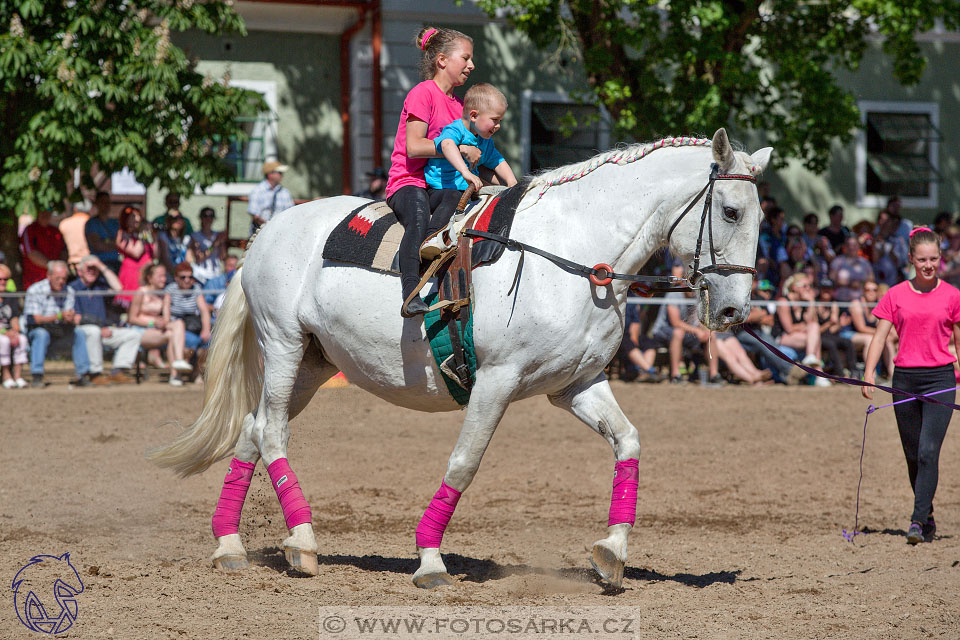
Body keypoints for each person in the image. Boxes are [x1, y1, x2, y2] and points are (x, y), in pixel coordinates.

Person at [862, 227, 960, 544]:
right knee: (913, 455)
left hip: (941, 379)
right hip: (904, 380)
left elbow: (959, 340)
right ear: (911, 259)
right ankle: (927, 513)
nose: (928, 265)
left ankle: (916, 522)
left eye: (933, 259)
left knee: (929, 452)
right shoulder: (895, 295)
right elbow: (879, 337)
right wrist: (868, 373)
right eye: (922, 260)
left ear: (940, 259)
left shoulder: (952, 296)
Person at [385, 26, 479, 317]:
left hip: (437, 183)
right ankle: (410, 291)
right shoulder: (422, 93)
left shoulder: (459, 106)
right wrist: (458, 150)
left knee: (461, 208)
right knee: (417, 216)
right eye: (465, 58)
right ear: (441, 60)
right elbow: (414, 147)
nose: (471, 65)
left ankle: (433, 267)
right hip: (409, 180)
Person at [419, 83, 518, 259]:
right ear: (474, 115)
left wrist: (513, 184)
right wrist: (466, 172)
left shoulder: (485, 141)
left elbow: (497, 161)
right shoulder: (455, 129)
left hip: (465, 192)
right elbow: (447, 145)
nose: (498, 126)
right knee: (452, 197)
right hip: (439, 190)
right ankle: (431, 238)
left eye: (500, 121)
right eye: (495, 120)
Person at [69, 255, 141, 384]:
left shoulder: (100, 285)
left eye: (94, 269)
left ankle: (118, 372)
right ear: (79, 271)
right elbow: (77, 319)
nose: (92, 271)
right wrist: (100, 327)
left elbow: (119, 288)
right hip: (84, 331)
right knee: (94, 331)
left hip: (104, 329)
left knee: (133, 334)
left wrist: (101, 266)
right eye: (88, 269)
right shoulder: (73, 288)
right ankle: (95, 374)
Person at [23, 261, 92, 387]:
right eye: (57, 278)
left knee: (79, 333)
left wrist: (70, 318)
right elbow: (35, 319)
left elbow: (69, 316)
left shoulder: (69, 291)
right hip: (37, 330)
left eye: (64, 278)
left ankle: (83, 375)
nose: (61, 281)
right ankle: (37, 376)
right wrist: (59, 316)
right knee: (41, 334)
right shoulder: (35, 290)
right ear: (48, 276)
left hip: (59, 330)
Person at [128, 263, 193, 386]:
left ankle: (177, 367)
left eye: (165, 276)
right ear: (150, 278)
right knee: (171, 334)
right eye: (160, 276)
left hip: (157, 331)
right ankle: (176, 372)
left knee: (177, 324)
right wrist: (152, 322)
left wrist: (163, 322)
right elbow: (132, 318)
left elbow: (167, 319)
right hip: (139, 331)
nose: (164, 279)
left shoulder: (164, 295)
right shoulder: (141, 292)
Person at [776, 273, 830, 386]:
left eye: (809, 286)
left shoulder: (804, 302)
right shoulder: (784, 302)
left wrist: (811, 302)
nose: (808, 289)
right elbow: (789, 329)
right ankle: (819, 374)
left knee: (814, 331)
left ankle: (811, 359)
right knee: (815, 339)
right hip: (782, 338)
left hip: (800, 337)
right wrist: (805, 326)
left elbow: (813, 322)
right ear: (795, 287)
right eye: (805, 286)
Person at [165, 262, 213, 379]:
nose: (187, 280)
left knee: (209, 343)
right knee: (186, 345)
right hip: (177, 326)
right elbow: (166, 312)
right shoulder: (170, 289)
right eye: (183, 277)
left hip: (193, 326)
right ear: (176, 278)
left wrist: (206, 330)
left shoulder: (196, 288)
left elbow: (204, 311)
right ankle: (177, 373)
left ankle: (195, 372)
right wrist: (168, 323)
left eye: (190, 277)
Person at [115, 205, 154, 308]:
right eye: (133, 216)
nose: (137, 219)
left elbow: (155, 254)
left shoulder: (141, 235)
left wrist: (155, 235)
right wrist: (144, 233)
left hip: (146, 273)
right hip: (132, 273)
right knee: (131, 306)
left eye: (138, 216)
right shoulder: (122, 234)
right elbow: (136, 252)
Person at [20, 208, 67, 289]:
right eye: (43, 212)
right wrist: (51, 265)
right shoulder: (30, 230)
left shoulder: (55, 231)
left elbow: (64, 251)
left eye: (47, 212)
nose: (45, 215)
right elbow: (31, 252)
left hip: (55, 282)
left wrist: (60, 267)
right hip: (34, 281)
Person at [617, 302, 662, 383]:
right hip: (619, 335)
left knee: (650, 343)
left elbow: (635, 322)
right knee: (628, 343)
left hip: (631, 334)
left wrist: (634, 338)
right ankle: (651, 371)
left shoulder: (632, 300)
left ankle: (643, 372)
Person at [0, 263, 28, 388]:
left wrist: (15, 330)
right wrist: (4, 332)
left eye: (5, 279)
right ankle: (6, 375)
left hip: (8, 331)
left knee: (22, 339)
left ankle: (18, 376)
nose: (3, 282)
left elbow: (14, 318)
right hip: (2, 334)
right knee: (4, 342)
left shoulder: (10, 297)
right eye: (0, 279)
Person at [248, 161, 295, 234]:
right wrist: (269, 227)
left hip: (281, 232)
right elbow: (255, 216)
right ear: (270, 174)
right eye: (279, 173)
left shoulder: (285, 192)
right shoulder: (257, 191)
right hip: (261, 233)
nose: (282, 175)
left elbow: (291, 213)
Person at [188, 207, 226, 285]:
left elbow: (222, 257)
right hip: (201, 276)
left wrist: (222, 243)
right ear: (201, 218)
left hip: (216, 274)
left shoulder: (217, 235)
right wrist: (215, 243)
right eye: (205, 216)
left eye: (211, 216)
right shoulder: (195, 236)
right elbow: (199, 258)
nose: (208, 218)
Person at [85, 191, 121, 273]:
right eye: (103, 202)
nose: (106, 205)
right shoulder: (92, 224)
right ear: (97, 204)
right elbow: (97, 245)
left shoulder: (114, 223)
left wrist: (105, 241)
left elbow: (120, 243)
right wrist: (114, 243)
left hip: (115, 263)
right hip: (99, 265)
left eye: (108, 202)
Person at [156, 213, 190, 280]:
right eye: (174, 218)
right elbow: (164, 258)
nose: (178, 220)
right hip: (168, 277)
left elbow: (188, 260)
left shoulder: (187, 238)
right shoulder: (163, 236)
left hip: (183, 278)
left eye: (180, 218)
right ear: (168, 221)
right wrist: (175, 275)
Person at [59, 202, 91, 273]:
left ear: (75, 209)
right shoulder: (91, 223)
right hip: (89, 263)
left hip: (71, 265)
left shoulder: (64, 224)